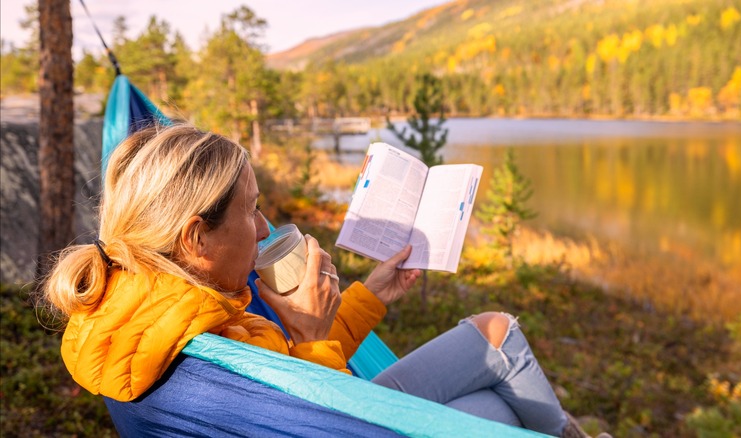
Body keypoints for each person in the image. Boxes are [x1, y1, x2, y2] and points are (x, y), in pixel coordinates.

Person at [41, 124, 569, 436]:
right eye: (251, 211)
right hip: (339, 413)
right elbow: (318, 419)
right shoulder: (203, 338)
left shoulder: (141, 310)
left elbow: (281, 384)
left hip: (329, 401)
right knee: (499, 399)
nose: (266, 228)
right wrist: (312, 336)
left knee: (494, 355)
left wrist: (372, 294)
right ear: (195, 238)